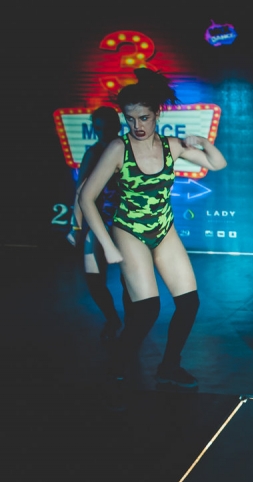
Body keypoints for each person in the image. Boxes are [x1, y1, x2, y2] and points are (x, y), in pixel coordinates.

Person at [79, 68, 227, 389]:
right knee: (147, 310)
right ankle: (116, 366)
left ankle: (169, 367)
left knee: (189, 303)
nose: (137, 125)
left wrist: (202, 142)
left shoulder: (171, 145)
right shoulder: (118, 149)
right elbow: (86, 197)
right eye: (130, 119)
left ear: (157, 114)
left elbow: (218, 163)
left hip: (163, 227)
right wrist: (108, 245)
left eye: (144, 118)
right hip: (129, 230)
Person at [68, 106, 129, 341]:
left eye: (107, 127)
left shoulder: (127, 149)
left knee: (128, 279)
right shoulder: (93, 153)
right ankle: (113, 319)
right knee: (94, 278)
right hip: (98, 222)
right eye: (98, 128)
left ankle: (131, 325)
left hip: (125, 224)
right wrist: (76, 226)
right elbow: (80, 192)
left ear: (117, 126)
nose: (103, 132)